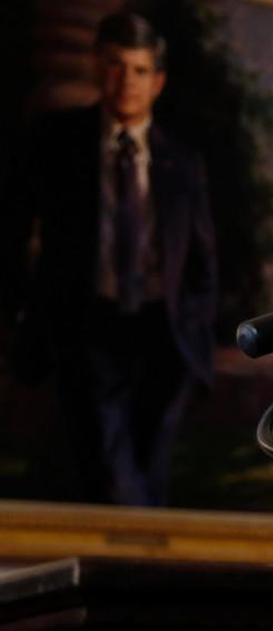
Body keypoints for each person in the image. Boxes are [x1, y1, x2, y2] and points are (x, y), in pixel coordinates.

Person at [7, 11, 217, 506]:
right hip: (86, 327)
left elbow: (201, 263)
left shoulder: (181, 163)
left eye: (140, 70)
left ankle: (146, 561)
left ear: (158, 81)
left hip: (162, 334)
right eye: (116, 66)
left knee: (151, 466)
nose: (127, 82)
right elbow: (15, 232)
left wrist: (196, 330)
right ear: (99, 69)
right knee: (106, 465)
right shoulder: (57, 143)